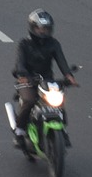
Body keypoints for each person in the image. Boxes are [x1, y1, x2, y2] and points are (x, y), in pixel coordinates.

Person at [11, 10, 76, 138]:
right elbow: (20, 63)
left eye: (46, 29)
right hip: (28, 80)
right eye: (39, 28)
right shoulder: (24, 44)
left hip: (47, 80)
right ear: (32, 28)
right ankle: (20, 130)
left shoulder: (54, 44)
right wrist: (23, 76)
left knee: (59, 103)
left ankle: (63, 130)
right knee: (29, 101)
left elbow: (61, 61)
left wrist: (68, 76)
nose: (42, 32)